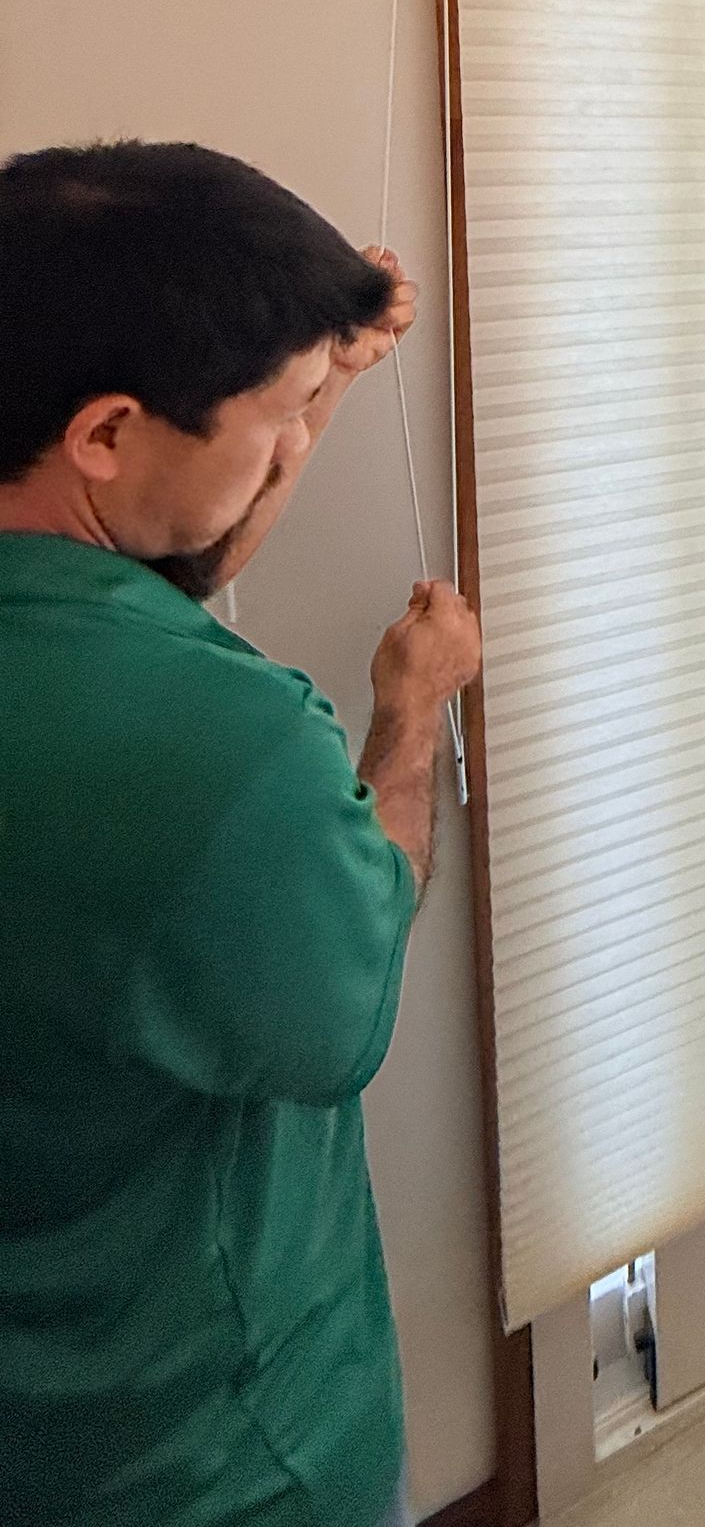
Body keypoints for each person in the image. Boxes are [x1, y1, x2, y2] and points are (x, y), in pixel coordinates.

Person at [0, 140, 482, 1527]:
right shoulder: (223, 752)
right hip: (212, 1462)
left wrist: (309, 374)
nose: (292, 448)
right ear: (107, 433)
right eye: (275, 421)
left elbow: (162, 563)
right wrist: (409, 715)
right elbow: (346, 1002)